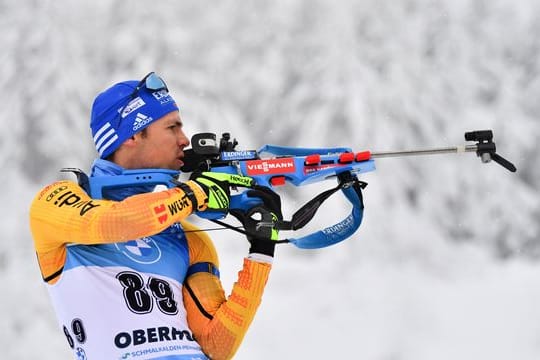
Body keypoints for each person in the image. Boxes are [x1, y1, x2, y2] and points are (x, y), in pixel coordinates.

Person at [29, 72, 282, 360]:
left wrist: (262, 248)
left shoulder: (189, 239)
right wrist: (194, 193)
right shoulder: (57, 203)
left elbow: (216, 345)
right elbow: (117, 222)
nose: (184, 140)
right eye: (172, 127)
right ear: (133, 135)